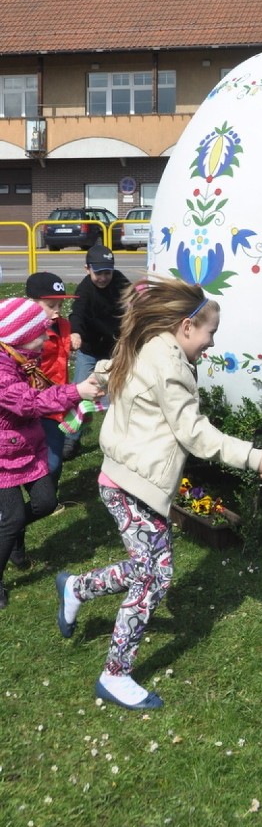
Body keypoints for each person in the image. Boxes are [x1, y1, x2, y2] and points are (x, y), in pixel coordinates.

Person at [55, 277, 262, 711]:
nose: (212, 343)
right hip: (132, 483)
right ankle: (115, 674)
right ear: (185, 326)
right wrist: (255, 458)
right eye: (210, 333)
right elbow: (194, 434)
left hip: (125, 478)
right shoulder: (171, 363)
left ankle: (77, 588)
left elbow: (110, 368)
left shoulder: (150, 343)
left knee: (147, 567)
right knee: (155, 576)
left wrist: (99, 381)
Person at [0, 297, 103, 608]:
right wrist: (76, 391)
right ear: (20, 336)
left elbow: (41, 394)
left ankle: (12, 533)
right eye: (40, 333)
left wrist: (76, 395)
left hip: (28, 446)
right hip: (3, 457)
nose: (46, 337)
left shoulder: (21, 360)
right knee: (13, 516)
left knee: (45, 503)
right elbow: (29, 402)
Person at [63, 244, 130, 460]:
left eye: (107, 272)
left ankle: (125, 439)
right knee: (79, 394)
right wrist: (75, 334)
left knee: (125, 393)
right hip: (89, 350)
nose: (103, 277)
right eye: (98, 273)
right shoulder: (84, 290)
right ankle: (71, 441)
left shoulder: (119, 280)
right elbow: (77, 315)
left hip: (116, 350)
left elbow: (135, 300)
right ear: (87, 269)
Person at [25, 271, 77, 491]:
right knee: (26, 458)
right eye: (50, 306)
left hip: (57, 404)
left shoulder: (64, 326)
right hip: (30, 404)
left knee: (54, 462)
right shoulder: (25, 333)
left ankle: (48, 497)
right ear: (32, 304)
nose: (56, 313)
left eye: (59, 306)